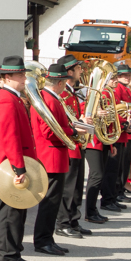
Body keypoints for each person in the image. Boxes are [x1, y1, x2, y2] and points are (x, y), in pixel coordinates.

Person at [30, 64, 86, 256]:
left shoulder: (47, 98)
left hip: (52, 155)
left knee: (52, 202)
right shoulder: (50, 100)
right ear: (61, 82)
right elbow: (49, 131)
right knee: (50, 202)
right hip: (52, 156)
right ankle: (43, 240)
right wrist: (74, 131)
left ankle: (47, 239)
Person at [0, 57, 38, 261]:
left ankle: (14, 251)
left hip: (14, 163)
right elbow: (10, 137)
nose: (24, 78)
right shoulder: (6, 99)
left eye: (24, 74)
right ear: (7, 77)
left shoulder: (13, 98)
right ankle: (7, 254)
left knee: (18, 210)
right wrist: (18, 167)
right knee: (10, 212)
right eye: (20, 75)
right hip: (10, 166)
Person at [56, 55, 92, 238]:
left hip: (77, 145)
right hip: (70, 146)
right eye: (78, 69)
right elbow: (64, 121)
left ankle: (73, 221)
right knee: (68, 189)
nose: (81, 71)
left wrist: (83, 122)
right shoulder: (62, 94)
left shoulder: (71, 92)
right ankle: (63, 223)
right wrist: (81, 123)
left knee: (77, 189)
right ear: (69, 72)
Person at [99, 70, 127, 215]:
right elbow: (111, 115)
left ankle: (112, 197)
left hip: (115, 134)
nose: (115, 81)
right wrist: (123, 122)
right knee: (110, 170)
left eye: (116, 78)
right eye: (112, 79)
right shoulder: (105, 94)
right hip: (109, 135)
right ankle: (107, 199)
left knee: (115, 170)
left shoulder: (110, 93)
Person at [114, 65, 131, 205]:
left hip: (128, 130)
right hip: (123, 131)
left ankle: (120, 191)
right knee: (120, 165)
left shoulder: (126, 89)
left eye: (129, 75)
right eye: (125, 75)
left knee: (124, 164)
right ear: (118, 77)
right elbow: (118, 108)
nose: (128, 78)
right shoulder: (118, 88)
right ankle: (118, 192)